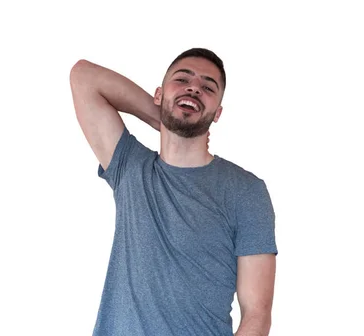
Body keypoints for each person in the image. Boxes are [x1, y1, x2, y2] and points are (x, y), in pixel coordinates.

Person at [69, 48, 278, 336]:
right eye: (182, 80)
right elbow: (84, 76)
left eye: (207, 87)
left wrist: (179, 119)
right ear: (159, 94)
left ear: (217, 113)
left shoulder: (246, 191)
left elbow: (257, 315)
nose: (194, 87)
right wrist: (165, 120)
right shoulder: (130, 167)